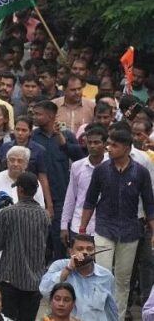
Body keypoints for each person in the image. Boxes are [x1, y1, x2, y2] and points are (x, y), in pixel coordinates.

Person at [80, 128, 154, 320]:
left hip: (130, 231)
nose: (108, 148)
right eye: (109, 144)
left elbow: (149, 204)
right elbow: (90, 200)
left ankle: (118, 317)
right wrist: (82, 229)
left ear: (127, 149)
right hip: (104, 228)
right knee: (103, 276)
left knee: (123, 280)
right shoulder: (101, 170)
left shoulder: (141, 173)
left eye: (114, 145)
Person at [0, 147, 46, 280]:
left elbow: (40, 212)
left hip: (24, 240)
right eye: (12, 160)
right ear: (7, 162)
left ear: (26, 164)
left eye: (20, 161)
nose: (15, 164)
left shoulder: (33, 183)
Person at [0, 172, 49, 321]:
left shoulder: (8, 213)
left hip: (10, 280)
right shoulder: (44, 215)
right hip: (34, 282)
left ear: (20, 190)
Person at [31, 100, 85, 260]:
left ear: (51, 116)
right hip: (38, 196)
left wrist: (63, 142)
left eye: (38, 114)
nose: (35, 117)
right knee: (38, 238)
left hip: (62, 196)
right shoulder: (33, 136)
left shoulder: (66, 135)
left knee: (60, 238)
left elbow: (81, 158)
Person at [39, 234, 117, 320]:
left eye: (90, 249)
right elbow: (45, 291)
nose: (85, 252)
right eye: (80, 249)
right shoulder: (59, 266)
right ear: (71, 252)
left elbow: (111, 310)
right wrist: (68, 269)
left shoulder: (106, 276)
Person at [60, 126, 108, 245]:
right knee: (78, 262)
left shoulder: (111, 166)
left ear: (105, 144)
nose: (92, 146)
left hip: (105, 227)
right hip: (79, 225)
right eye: (89, 142)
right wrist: (64, 225)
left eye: (96, 142)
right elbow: (71, 197)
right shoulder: (77, 166)